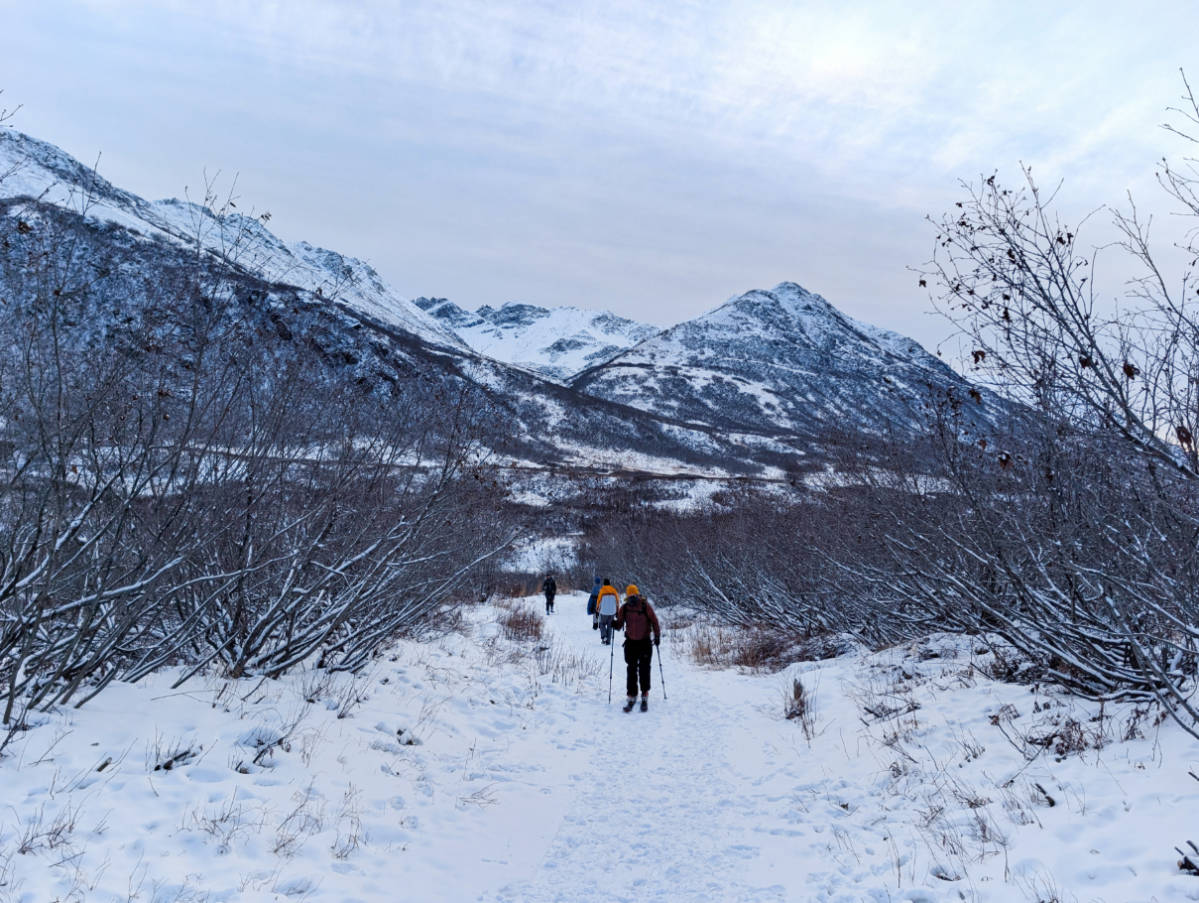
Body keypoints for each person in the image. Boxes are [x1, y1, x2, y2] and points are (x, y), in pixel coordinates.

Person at [614, 584, 661, 711]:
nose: (632, 598)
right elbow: (619, 624)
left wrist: (657, 636)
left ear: (638, 595)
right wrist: (613, 624)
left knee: (644, 669)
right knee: (631, 669)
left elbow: (655, 621)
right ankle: (631, 694)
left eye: (634, 596)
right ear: (627, 596)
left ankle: (645, 693)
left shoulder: (645, 606)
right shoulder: (624, 608)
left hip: (644, 642)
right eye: (630, 596)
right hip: (631, 643)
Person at [594, 578, 621, 645]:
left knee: (602, 624)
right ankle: (608, 641)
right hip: (612, 612)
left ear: (604, 584)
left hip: (603, 611)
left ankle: (604, 636)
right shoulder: (614, 591)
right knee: (610, 626)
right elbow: (617, 601)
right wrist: (618, 610)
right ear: (609, 583)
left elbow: (598, 601)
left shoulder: (602, 591)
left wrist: (597, 609)